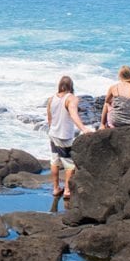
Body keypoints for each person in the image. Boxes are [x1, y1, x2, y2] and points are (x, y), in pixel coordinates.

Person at [46, 75, 93, 207]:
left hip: (53, 134)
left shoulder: (51, 98)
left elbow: (49, 118)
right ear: (71, 87)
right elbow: (73, 114)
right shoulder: (71, 98)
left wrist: (52, 129)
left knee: (54, 161)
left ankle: (55, 188)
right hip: (64, 136)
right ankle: (67, 190)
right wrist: (83, 128)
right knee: (69, 164)